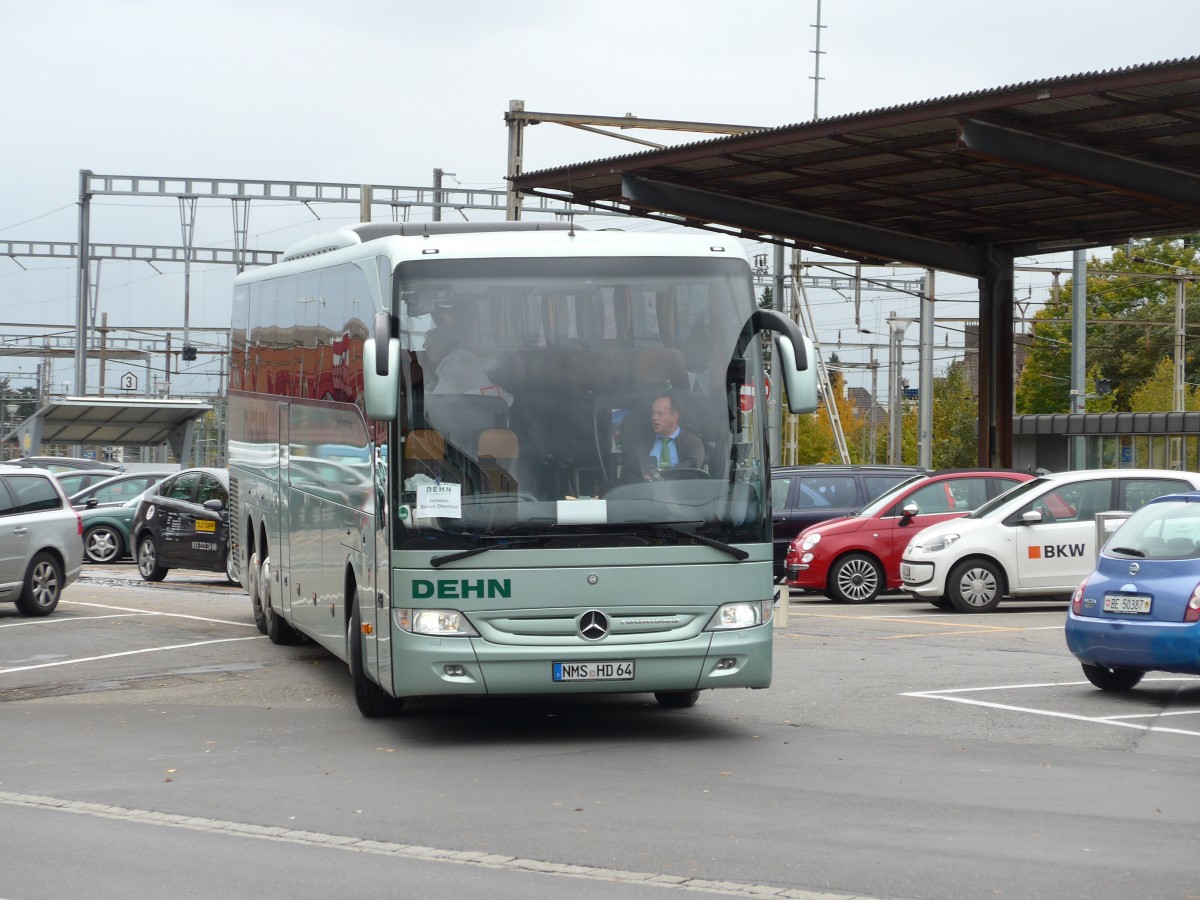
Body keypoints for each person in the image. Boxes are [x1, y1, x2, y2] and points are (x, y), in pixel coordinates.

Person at [647, 394, 705, 472]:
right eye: (653, 413)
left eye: (660, 413)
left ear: (675, 417)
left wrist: (665, 473)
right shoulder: (642, 442)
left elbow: (693, 465)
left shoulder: (692, 442)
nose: (654, 417)